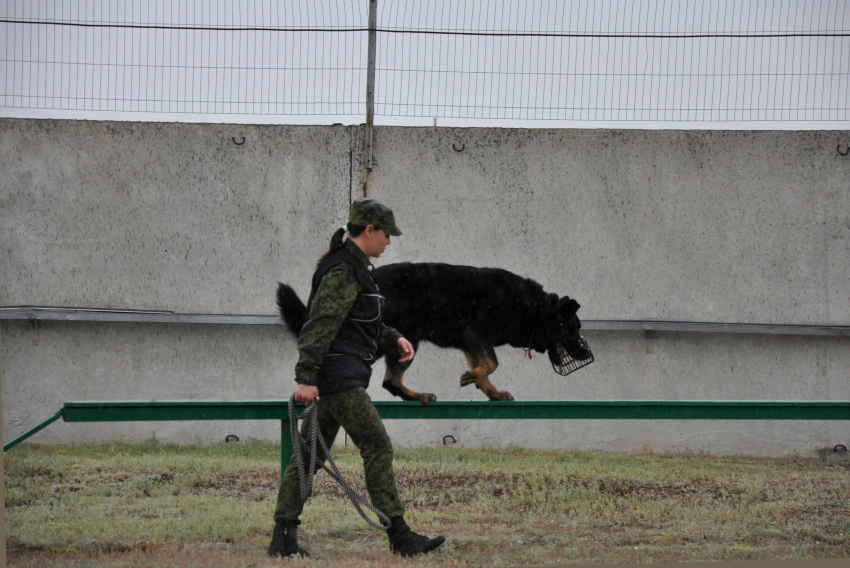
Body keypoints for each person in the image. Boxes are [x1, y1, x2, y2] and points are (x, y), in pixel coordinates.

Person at [268, 198, 446, 559]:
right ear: (369, 230)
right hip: (339, 378)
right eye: (386, 234)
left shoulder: (356, 268)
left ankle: (282, 538)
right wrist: (306, 378)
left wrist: (393, 337)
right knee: (377, 446)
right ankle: (400, 537)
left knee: (308, 456)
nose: (389, 242)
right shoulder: (344, 270)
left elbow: (361, 322)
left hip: (340, 376)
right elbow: (318, 324)